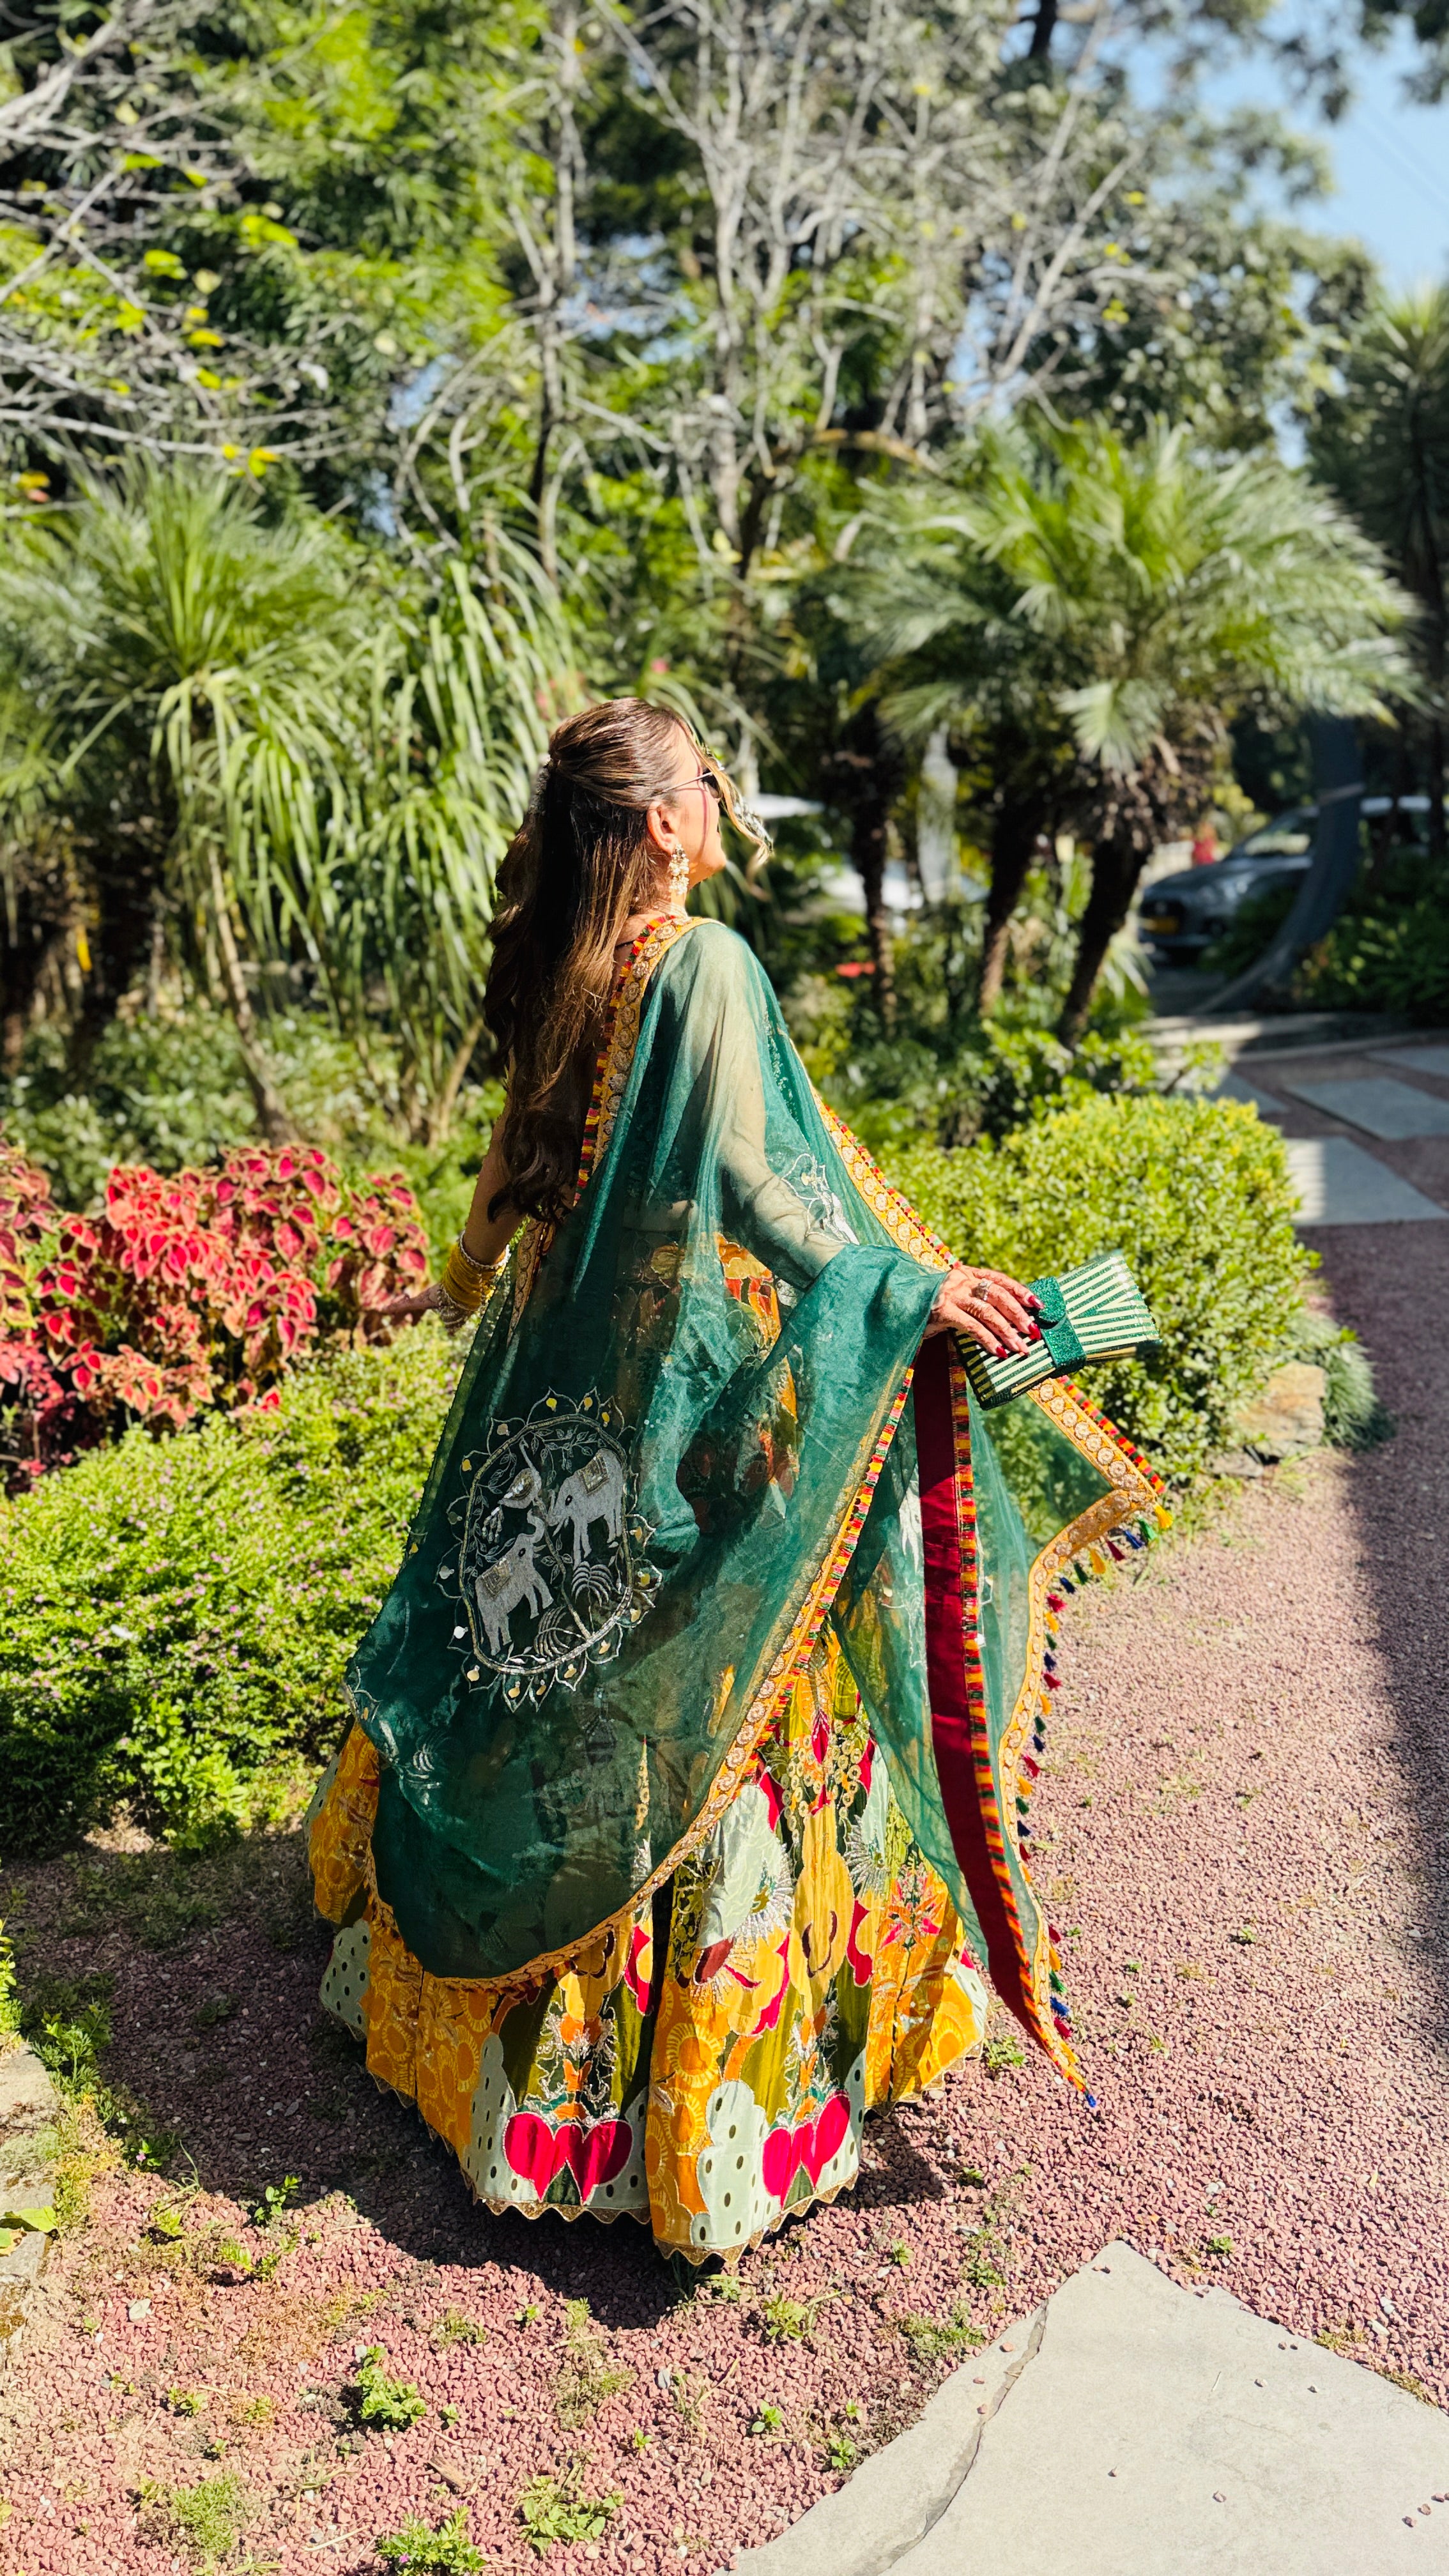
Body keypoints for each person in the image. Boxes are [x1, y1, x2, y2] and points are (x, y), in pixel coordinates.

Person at [307, 699, 1163, 2264]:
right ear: (662, 825)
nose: (721, 800)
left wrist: (469, 1283)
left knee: (551, 1663)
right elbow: (760, 1195)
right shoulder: (699, 962)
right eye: (709, 779)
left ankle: (478, 2032)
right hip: (684, 1400)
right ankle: (675, 2104)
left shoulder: (568, 973)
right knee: (702, 1689)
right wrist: (912, 1296)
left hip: (567, 1387)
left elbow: (520, 1172)